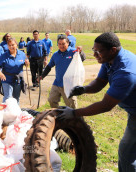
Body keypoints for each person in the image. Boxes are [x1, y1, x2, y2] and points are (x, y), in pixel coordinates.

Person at [57, 32, 136, 171]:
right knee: (128, 152)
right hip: (133, 110)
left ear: (113, 50)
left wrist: (74, 113)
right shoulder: (110, 59)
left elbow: (105, 105)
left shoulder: (126, 72)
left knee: (127, 152)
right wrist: (84, 89)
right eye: (94, 50)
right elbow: (100, 82)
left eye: (98, 51)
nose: (94, 55)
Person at [39, 34, 86, 108]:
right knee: (52, 100)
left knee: (71, 105)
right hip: (57, 82)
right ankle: (58, 114)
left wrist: (80, 52)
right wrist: (42, 76)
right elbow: (49, 67)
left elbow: (82, 58)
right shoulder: (55, 55)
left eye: (63, 44)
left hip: (69, 84)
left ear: (68, 43)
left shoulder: (73, 52)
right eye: (59, 44)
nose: (61, 46)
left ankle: (74, 118)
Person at [0, 37, 29, 103]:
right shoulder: (4, 55)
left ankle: (16, 112)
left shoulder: (22, 54)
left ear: (16, 44)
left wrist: (27, 63)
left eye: (13, 45)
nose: (11, 47)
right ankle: (5, 112)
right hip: (6, 79)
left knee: (16, 98)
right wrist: (0, 74)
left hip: (18, 79)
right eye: (9, 45)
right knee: (8, 97)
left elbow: (26, 64)